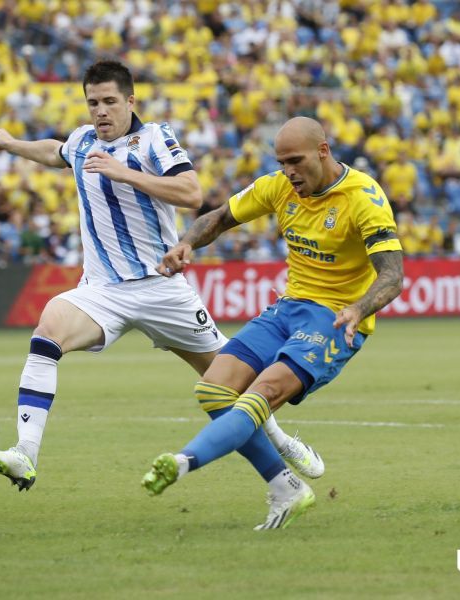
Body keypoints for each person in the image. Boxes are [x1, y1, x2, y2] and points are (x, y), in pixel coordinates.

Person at [0, 61, 318, 492]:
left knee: (231, 383)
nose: (100, 112)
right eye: (92, 103)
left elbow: (192, 193)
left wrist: (123, 172)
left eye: (109, 102)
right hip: (102, 290)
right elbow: (54, 151)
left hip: (161, 288)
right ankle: (25, 453)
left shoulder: (155, 139)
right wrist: (12, 144)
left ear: (130, 101)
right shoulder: (84, 141)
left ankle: (282, 443)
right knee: (47, 333)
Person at [142, 117, 405, 530]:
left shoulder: (363, 198)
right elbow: (220, 217)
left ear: (323, 150)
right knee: (213, 389)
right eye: (282, 162)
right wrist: (187, 242)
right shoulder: (279, 186)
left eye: (295, 161)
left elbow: (392, 275)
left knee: (260, 394)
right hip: (288, 308)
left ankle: (183, 460)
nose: (288, 171)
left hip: (334, 319)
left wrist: (358, 308)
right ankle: (286, 485)